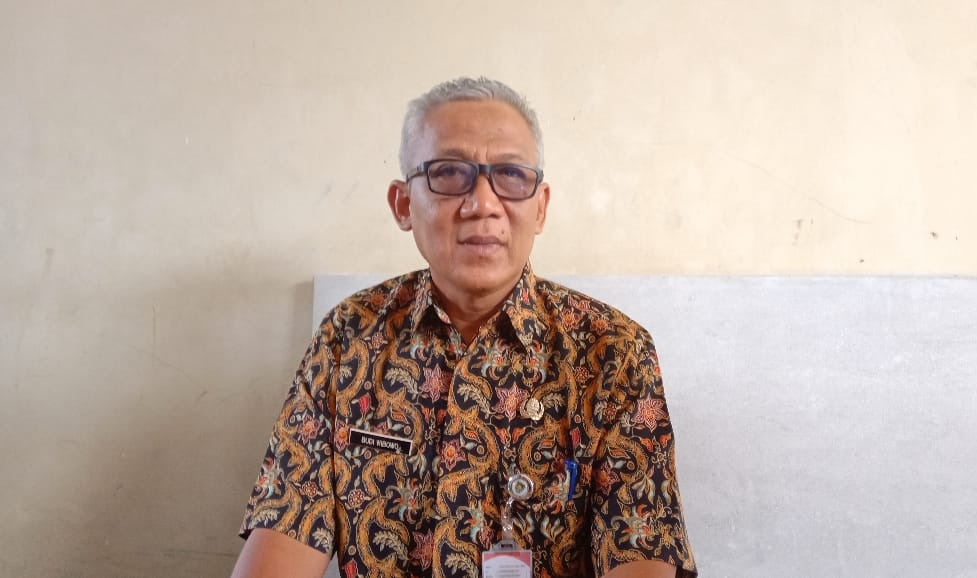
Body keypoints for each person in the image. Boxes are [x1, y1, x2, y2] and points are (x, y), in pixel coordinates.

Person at [231, 77, 698, 578]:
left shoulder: (613, 354)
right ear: (403, 205)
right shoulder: (348, 339)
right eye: (449, 173)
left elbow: (640, 554)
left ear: (540, 207)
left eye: (511, 175)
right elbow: (283, 536)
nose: (483, 204)